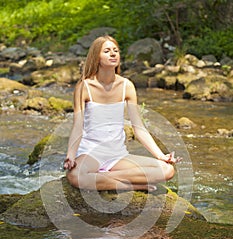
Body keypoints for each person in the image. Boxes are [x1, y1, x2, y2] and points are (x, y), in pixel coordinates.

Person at [64, 35, 181, 191]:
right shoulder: (84, 86)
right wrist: (71, 155)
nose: (113, 54)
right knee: (74, 176)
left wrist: (161, 156)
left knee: (167, 170)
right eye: (107, 51)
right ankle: (131, 185)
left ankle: (103, 179)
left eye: (116, 51)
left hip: (117, 156)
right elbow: (78, 126)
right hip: (91, 154)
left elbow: (138, 128)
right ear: (96, 57)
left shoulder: (127, 86)